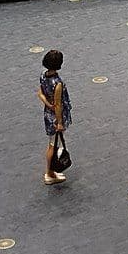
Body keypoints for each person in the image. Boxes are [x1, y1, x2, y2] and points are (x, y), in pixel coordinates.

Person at [38, 49, 73, 185]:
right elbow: (58, 105)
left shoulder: (43, 76)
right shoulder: (57, 83)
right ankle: (50, 173)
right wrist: (59, 122)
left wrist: (48, 104)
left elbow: (40, 93)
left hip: (48, 114)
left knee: (52, 143)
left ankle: (51, 172)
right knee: (53, 145)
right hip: (55, 118)